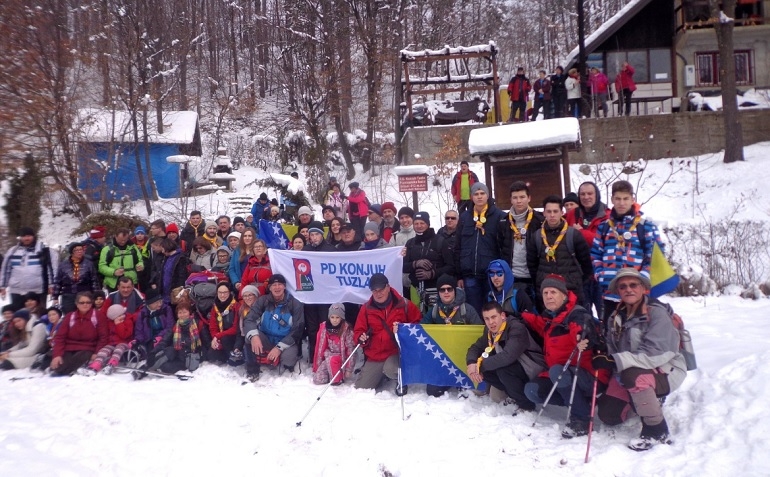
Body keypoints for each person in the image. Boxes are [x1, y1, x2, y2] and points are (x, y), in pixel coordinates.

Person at [593, 268, 686, 451]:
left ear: (643, 288)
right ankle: (643, 400)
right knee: (609, 416)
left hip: (665, 369)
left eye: (633, 285)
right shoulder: (615, 316)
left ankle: (656, 429)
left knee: (633, 376)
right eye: (623, 286)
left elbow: (656, 353)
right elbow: (613, 348)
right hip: (629, 371)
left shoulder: (656, 313)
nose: (628, 289)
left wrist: (615, 361)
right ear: (618, 291)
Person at [521, 274, 607, 437]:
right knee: (532, 391)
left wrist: (583, 337)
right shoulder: (552, 319)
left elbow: (581, 328)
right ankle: (580, 402)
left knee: (557, 372)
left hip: (589, 376)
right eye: (545, 293)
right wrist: (522, 315)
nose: (549, 296)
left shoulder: (576, 315)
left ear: (564, 295)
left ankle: (581, 418)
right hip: (565, 375)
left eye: (553, 292)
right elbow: (540, 324)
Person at [591, 180, 663, 322]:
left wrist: (642, 278)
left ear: (632, 199)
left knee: (636, 335)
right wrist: (600, 274)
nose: (621, 203)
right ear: (612, 200)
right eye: (617, 199)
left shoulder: (646, 227)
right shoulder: (604, 227)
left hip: (636, 294)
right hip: (610, 292)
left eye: (625, 199)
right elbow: (595, 254)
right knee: (611, 335)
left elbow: (654, 258)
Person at [467, 302, 546, 412]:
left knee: (504, 370)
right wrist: (471, 363)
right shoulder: (489, 330)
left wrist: (480, 365)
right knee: (487, 370)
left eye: (494, 317)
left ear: (503, 316)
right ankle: (514, 395)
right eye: (487, 319)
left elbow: (507, 356)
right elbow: (475, 347)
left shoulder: (516, 328)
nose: (491, 322)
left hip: (533, 366)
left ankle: (526, 405)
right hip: (517, 366)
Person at [353, 273, 421, 392]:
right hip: (376, 355)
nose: (378, 294)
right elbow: (358, 331)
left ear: (388, 287)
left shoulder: (403, 304)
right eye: (374, 291)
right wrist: (361, 337)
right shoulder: (366, 308)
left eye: (381, 289)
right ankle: (381, 374)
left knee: (391, 369)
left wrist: (403, 330)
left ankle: (399, 378)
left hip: (396, 353)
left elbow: (418, 324)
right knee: (361, 389)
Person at [527, 195, 593, 310]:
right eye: (549, 211)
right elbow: (532, 265)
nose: (552, 215)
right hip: (546, 295)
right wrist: (540, 281)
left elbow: (587, 264)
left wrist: (575, 282)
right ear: (544, 213)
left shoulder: (574, 235)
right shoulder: (537, 237)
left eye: (555, 211)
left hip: (571, 293)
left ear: (562, 212)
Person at [421, 274, 481, 397]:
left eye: (449, 289)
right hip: (444, 359)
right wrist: (400, 328)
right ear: (438, 293)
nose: (446, 292)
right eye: (442, 290)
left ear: (455, 290)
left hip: (464, 359)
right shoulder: (433, 311)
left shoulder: (467, 310)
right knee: (432, 391)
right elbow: (420, 329)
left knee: (472, 391)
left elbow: (480, 333)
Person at [455, 182, 506, 314]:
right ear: (471, 197)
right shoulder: (465, 217)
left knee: (493, 310)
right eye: (476, 194)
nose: (479, 197)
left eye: (482, 193)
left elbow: (503, 245)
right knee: (474, 311)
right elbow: (458, 247)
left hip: (492, 274)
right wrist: (459, 275)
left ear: (488, 195)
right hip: (470, 274)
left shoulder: (499, 216)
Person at [243, 274, 304, 380]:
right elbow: (249, 319)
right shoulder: (263, 301)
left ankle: (278, 360)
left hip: (286, 342)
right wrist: (254, 336)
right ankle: (252, 370)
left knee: (288, 361)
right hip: (266, 338)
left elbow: (297, 330)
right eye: (274, 285)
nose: (277, 287)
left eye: (280, 284)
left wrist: (279, 348)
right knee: (249, 338)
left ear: (284, 286)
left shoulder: (295, 304)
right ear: (269, 287)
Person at [566, 181, 610, 317]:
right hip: (579, 274)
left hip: (601, 274)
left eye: (590, 193)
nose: (586, 197)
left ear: (597, 195)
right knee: (584, 316)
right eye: (582, 194)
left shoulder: (608, 215)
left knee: (606, 315)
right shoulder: (573, 214)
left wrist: (581, 233)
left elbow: (605, 241)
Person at [498, 181, 544, 301]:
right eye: (515, 197)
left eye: (522, 197)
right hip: (511, 276)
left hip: (533, 276)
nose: (519, 201)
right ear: (511, 200)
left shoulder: (539, 221)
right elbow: (500, 248)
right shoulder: (503, 222)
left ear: (529, 198)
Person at [135, 300, 202, 377]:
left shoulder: (198, 324)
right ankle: (144, 369)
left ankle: (150, 369)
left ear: (190, 312)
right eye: (180, 313)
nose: (182, 315)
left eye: (184, 312)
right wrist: (154, 352)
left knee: (165, 367)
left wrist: (201, 354)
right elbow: (165, 340)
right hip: (176, 354)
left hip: (187, 357)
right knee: (169, 351)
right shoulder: (176, 326)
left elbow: (206, 341)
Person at [51, 291, 110, 376]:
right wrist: (57, 355)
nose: (85, 305)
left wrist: (97, 353)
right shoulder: (70, 316)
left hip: (88, 348)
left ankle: (68, 369)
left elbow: (103, 337)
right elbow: (60, 337)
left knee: (65, 367)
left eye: (88, 302)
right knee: (58, 363)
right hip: (69, 347)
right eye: (82, 302)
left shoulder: (98, 316)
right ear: (77, 304)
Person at [403, 211, 451, 312]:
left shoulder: (440, 241)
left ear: (428, 224)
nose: (419, 226)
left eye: (422, 223)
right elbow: (403, 267)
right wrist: (415, 264)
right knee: (417, 317)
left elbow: (451, 266)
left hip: (436, 288)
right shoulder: (410, 243)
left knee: (435, 316)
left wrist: (432, 273)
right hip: (415, 288)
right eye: (416, 223)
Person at [0, 227, 57, 310]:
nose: (26, 238)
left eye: (29, 236)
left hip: (37, 290)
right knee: (19, 317)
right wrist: (3, 286)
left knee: (38, 316)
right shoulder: (13, 251)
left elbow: (51, 268)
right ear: (20, 237)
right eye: (24, 236)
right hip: (17, 291)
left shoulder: (43, 250)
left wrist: (52, 285)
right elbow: (6, 269)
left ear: (33, 236)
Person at [79, 304, 135, 375]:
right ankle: (95, 365)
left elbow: (124, 335)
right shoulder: (109, 322)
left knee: (118, 349)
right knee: (103, 351)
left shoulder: (128, 321)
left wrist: (118, 324)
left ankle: (111, 364)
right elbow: (107, 334)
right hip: (111, 343)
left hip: (124, 342)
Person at [312, 303, 355, 385]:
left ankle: (337, 380)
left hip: (341, 359)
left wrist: (348, 369)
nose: (334, 320)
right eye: (332, 317)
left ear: (341, 318)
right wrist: (317, 365)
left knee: (333, 360)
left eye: (337, 317)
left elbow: (350, 350)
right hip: (328, 357)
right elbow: (320, 347)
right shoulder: (325, 328)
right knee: (318, 380)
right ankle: (331, 374)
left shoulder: (347, 330)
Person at [53, 242, 101, 314]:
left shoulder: (88, 264)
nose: (79, 252)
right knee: (69, 316)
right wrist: (55, 297)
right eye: (77, 250)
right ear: (72, 252)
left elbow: (94, 280)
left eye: (81, 249)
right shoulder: (63, 265)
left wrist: (96, 294)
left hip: (85, 293)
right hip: (68, 294)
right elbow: (58, 281)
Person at [98, 228, 142, 292]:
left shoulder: (133, 248)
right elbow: (101, 267)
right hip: (113, 284)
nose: (123, 242)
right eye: (120, 240)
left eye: (125, 240)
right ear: (115, 236)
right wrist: (113, 272)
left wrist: (140, 266)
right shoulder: (107, 249)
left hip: (131, 282)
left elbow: (140, 261)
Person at [207, 283, 241, 364]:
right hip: (220, 336)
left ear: (230, 293)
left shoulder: (236, 306)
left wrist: (218, 336)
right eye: (220, 292)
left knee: (225, 339)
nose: (222, 295)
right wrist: (215, 339)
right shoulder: (215, 307)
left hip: (233, 337)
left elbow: (235, 328)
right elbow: (213, 327)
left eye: (225, 292)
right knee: (210, 355)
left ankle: (232, 356)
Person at [156, 239, 190, 306]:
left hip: (175, 292)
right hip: (165, 292)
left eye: (163, 249)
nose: (162, 251)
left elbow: (182, 276)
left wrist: (178, 291)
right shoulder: (166, 258)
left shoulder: (181, 258)